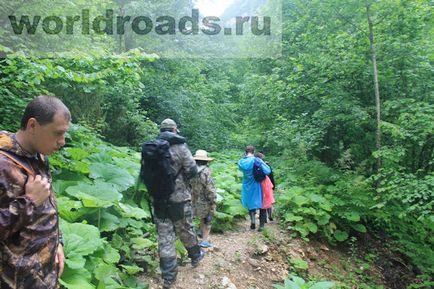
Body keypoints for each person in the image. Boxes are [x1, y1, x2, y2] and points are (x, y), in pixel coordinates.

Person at [0, 96, 70, 289]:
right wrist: (29, 201)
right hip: (16, 280)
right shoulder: (3, 164)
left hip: (44, 274)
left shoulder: (39, 155)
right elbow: (36, 202)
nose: (62, 142)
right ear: (32, 125)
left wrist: (58, 243)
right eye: (57, 133)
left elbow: (48, 205)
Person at [152, 119, 203, 289]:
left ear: (161, 130)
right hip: (179, 198)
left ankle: (168, 277)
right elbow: (193, 170)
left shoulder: (151, 148)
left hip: (158, 199)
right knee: (185, 229)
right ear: (174, 130)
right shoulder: (181, 147)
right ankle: (195, 256)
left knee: (165, 237)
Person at [238, 146, 271, 231]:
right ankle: (261, 226)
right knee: (262, 204)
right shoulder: (257, 160)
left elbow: (241, 169)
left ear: (245, 152)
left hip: (247, 185)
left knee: (250, 203)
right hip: (258, 185)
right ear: (254, 152)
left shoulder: (241, 162)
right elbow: (268, 171)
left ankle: (252, 222)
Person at [190, 150, 216, 248]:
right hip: (205, 199)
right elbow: (210, 187)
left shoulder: (191, 171)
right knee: (207, 219)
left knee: (198, 218)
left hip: (193, 198)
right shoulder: (206, 171)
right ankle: (205, 240)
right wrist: (213, 200)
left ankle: (196, 238)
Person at [257, 152, 276, 221]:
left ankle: (263, 217)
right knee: (269, 199)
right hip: (268, 184)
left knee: (262, 200)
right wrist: (273, 185)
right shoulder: (266, 165)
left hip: (259, 184)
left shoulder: (255, 165)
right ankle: (269, 215)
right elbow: (271, 176)